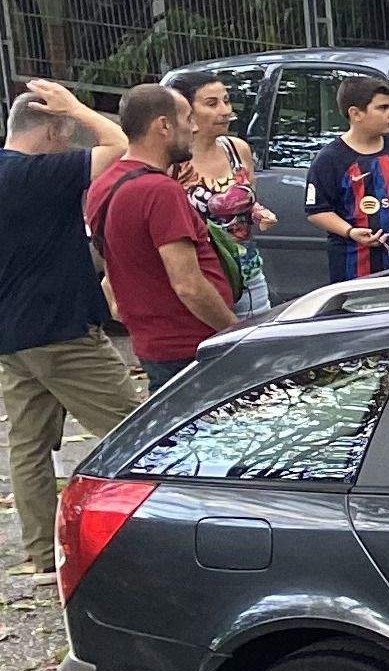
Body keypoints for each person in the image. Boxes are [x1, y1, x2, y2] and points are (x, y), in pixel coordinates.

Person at [0, 78, 141, 580]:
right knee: (135, 427)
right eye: (64, 131)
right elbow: (121, 146)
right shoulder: (40, 173)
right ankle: (147, 535)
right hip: (60, 331)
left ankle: (40, 554)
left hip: (13, 336)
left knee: (28, 444)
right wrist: (78, 106)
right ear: (53, 132)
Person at [85, 84, 239, 383]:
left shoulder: (103, 185)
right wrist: (234, 331)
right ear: (164, 126)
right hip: (191, 347)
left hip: (152, 345)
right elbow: (188, 285)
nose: (194, 129)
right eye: (187, 119)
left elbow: (117, 266)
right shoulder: (159, 191)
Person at [306, 73, 389, 281]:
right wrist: (350, 231)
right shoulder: (330, 159)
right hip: (355, 269)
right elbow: (317, 211)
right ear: (356, 114)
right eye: (383, 108)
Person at [182, 76, 268, 318]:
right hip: (202, 279)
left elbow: (248, 203)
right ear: (187, 112)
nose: (225, 110)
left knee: (256, 348)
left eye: (227, 101)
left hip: (248, 273)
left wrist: (261, 214)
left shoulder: (237, 149)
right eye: (212, 103)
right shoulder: (175, 161)